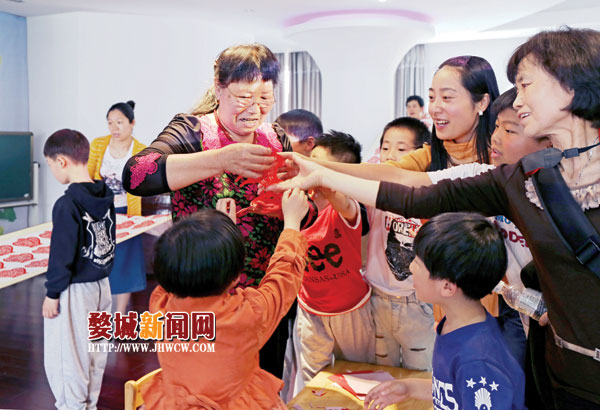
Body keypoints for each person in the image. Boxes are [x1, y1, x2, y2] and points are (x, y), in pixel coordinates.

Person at [276, 27, 600, 409]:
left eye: (526, 84)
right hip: (558, 366)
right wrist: (321, 172)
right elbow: (411, 190)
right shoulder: (522, 177)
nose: (518, 98)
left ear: (570, 86)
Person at [122, 44, 303, 378]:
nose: (255, 109)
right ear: (219, 89)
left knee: (263, 382)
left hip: (263, 300)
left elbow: (295, 203)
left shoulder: (275, 136)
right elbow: (135, 176)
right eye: (244, 97)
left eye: (265, 98)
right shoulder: (191, 131)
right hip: (201, 301)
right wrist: (220, 159)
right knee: (204, 385)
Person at [140, 188, 309, 410]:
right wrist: (292, 223)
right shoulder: (247, 315)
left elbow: (182, 264)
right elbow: (283, 278)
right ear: (236, 278)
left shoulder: (159, 306)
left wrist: (222, 231)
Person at [363, 212, 525, 410]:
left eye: (418, 263)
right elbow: (454, 391)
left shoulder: (478, 361)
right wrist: (409, 388)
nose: (411, 267)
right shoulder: (456, 325)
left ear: (447, 287)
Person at [289, 131, 373, 397]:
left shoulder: (348, 208)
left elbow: (343, 202)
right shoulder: (298, 206)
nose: (311, 169)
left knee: (359, 374)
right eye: (310, 160)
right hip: (310, 309)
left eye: (321, 166)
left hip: (352, 309)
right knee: (312, 379)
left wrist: (326, 180)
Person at [42, 129, 115, 410]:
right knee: (95, 350)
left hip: (75, 290)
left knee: (68, 356)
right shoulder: (105, 195)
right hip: (102, 285)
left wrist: (52, 293)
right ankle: (87, 404)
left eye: (50, 165)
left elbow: (61, 253)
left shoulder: (66, 204)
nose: (52, 171)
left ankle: (73, 406)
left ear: (61, 161)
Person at [365, 117, 435, 371]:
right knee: (383, 373)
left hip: (418, 303)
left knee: (421, 373)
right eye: (385, 147)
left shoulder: (429, 195)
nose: (390, 155)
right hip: (377, 298)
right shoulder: (374, 191)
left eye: (401, 149)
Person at [88, 100, 147, 314]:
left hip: (126, 214)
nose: (114, 127)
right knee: (99, 263)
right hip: (100, 214)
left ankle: (119, 313)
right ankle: (101, 311)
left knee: (125, 265)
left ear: (132, 123)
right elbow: (88, 177)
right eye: (110, 122)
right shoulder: (98, 145)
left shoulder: (141, 151)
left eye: (119, 122)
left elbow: (144, 185)